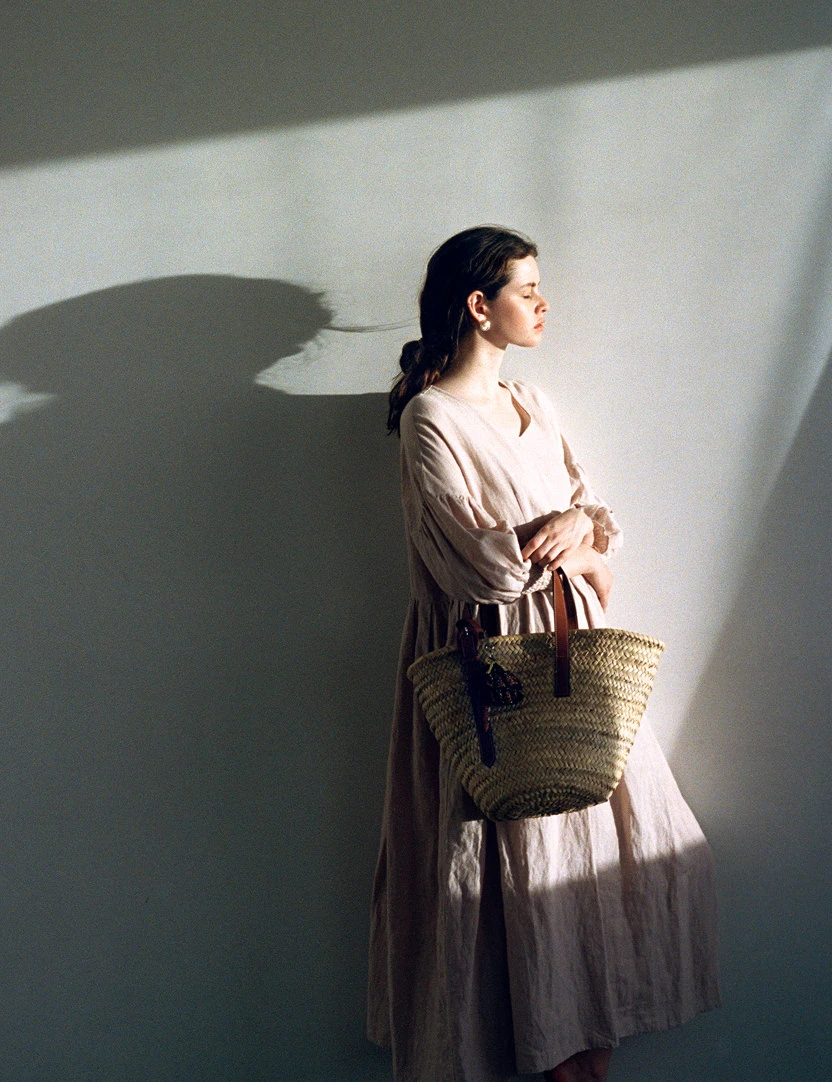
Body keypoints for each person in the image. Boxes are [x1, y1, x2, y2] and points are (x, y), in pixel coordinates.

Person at [367, 226, 720, 1082]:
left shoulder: (534, 402)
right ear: (479, 306)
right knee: (514, 890)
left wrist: (576, 531)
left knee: (602, 866)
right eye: (527, 290)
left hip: (575, 663)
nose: (544, 303)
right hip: (495, 675)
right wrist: (566, 538)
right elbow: (479, 570)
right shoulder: (429, 419)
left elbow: (596, 531)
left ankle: (583, 1054)